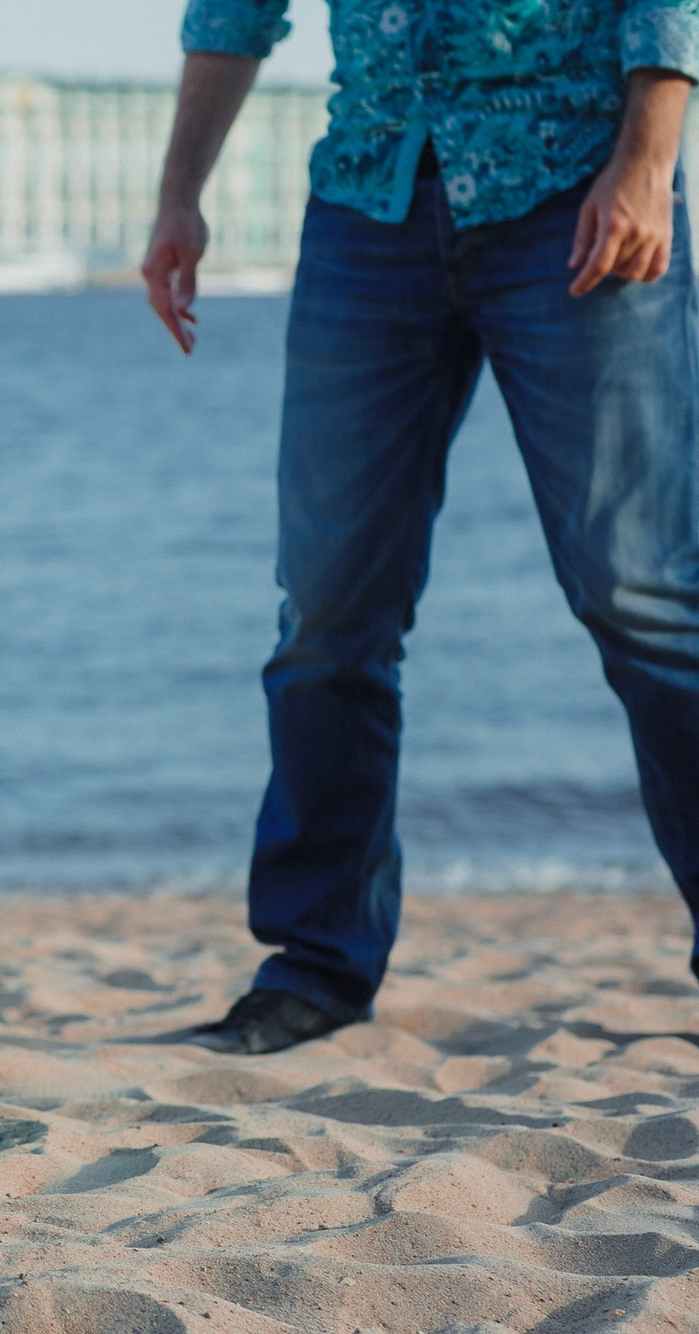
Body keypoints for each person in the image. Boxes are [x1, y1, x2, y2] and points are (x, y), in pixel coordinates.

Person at [142, 1, 699, 1054]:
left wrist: (647, 155)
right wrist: (179, 193)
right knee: (325, 609)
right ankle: (314, 965)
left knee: (645, 597)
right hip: (369, 197)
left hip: (572, 181)